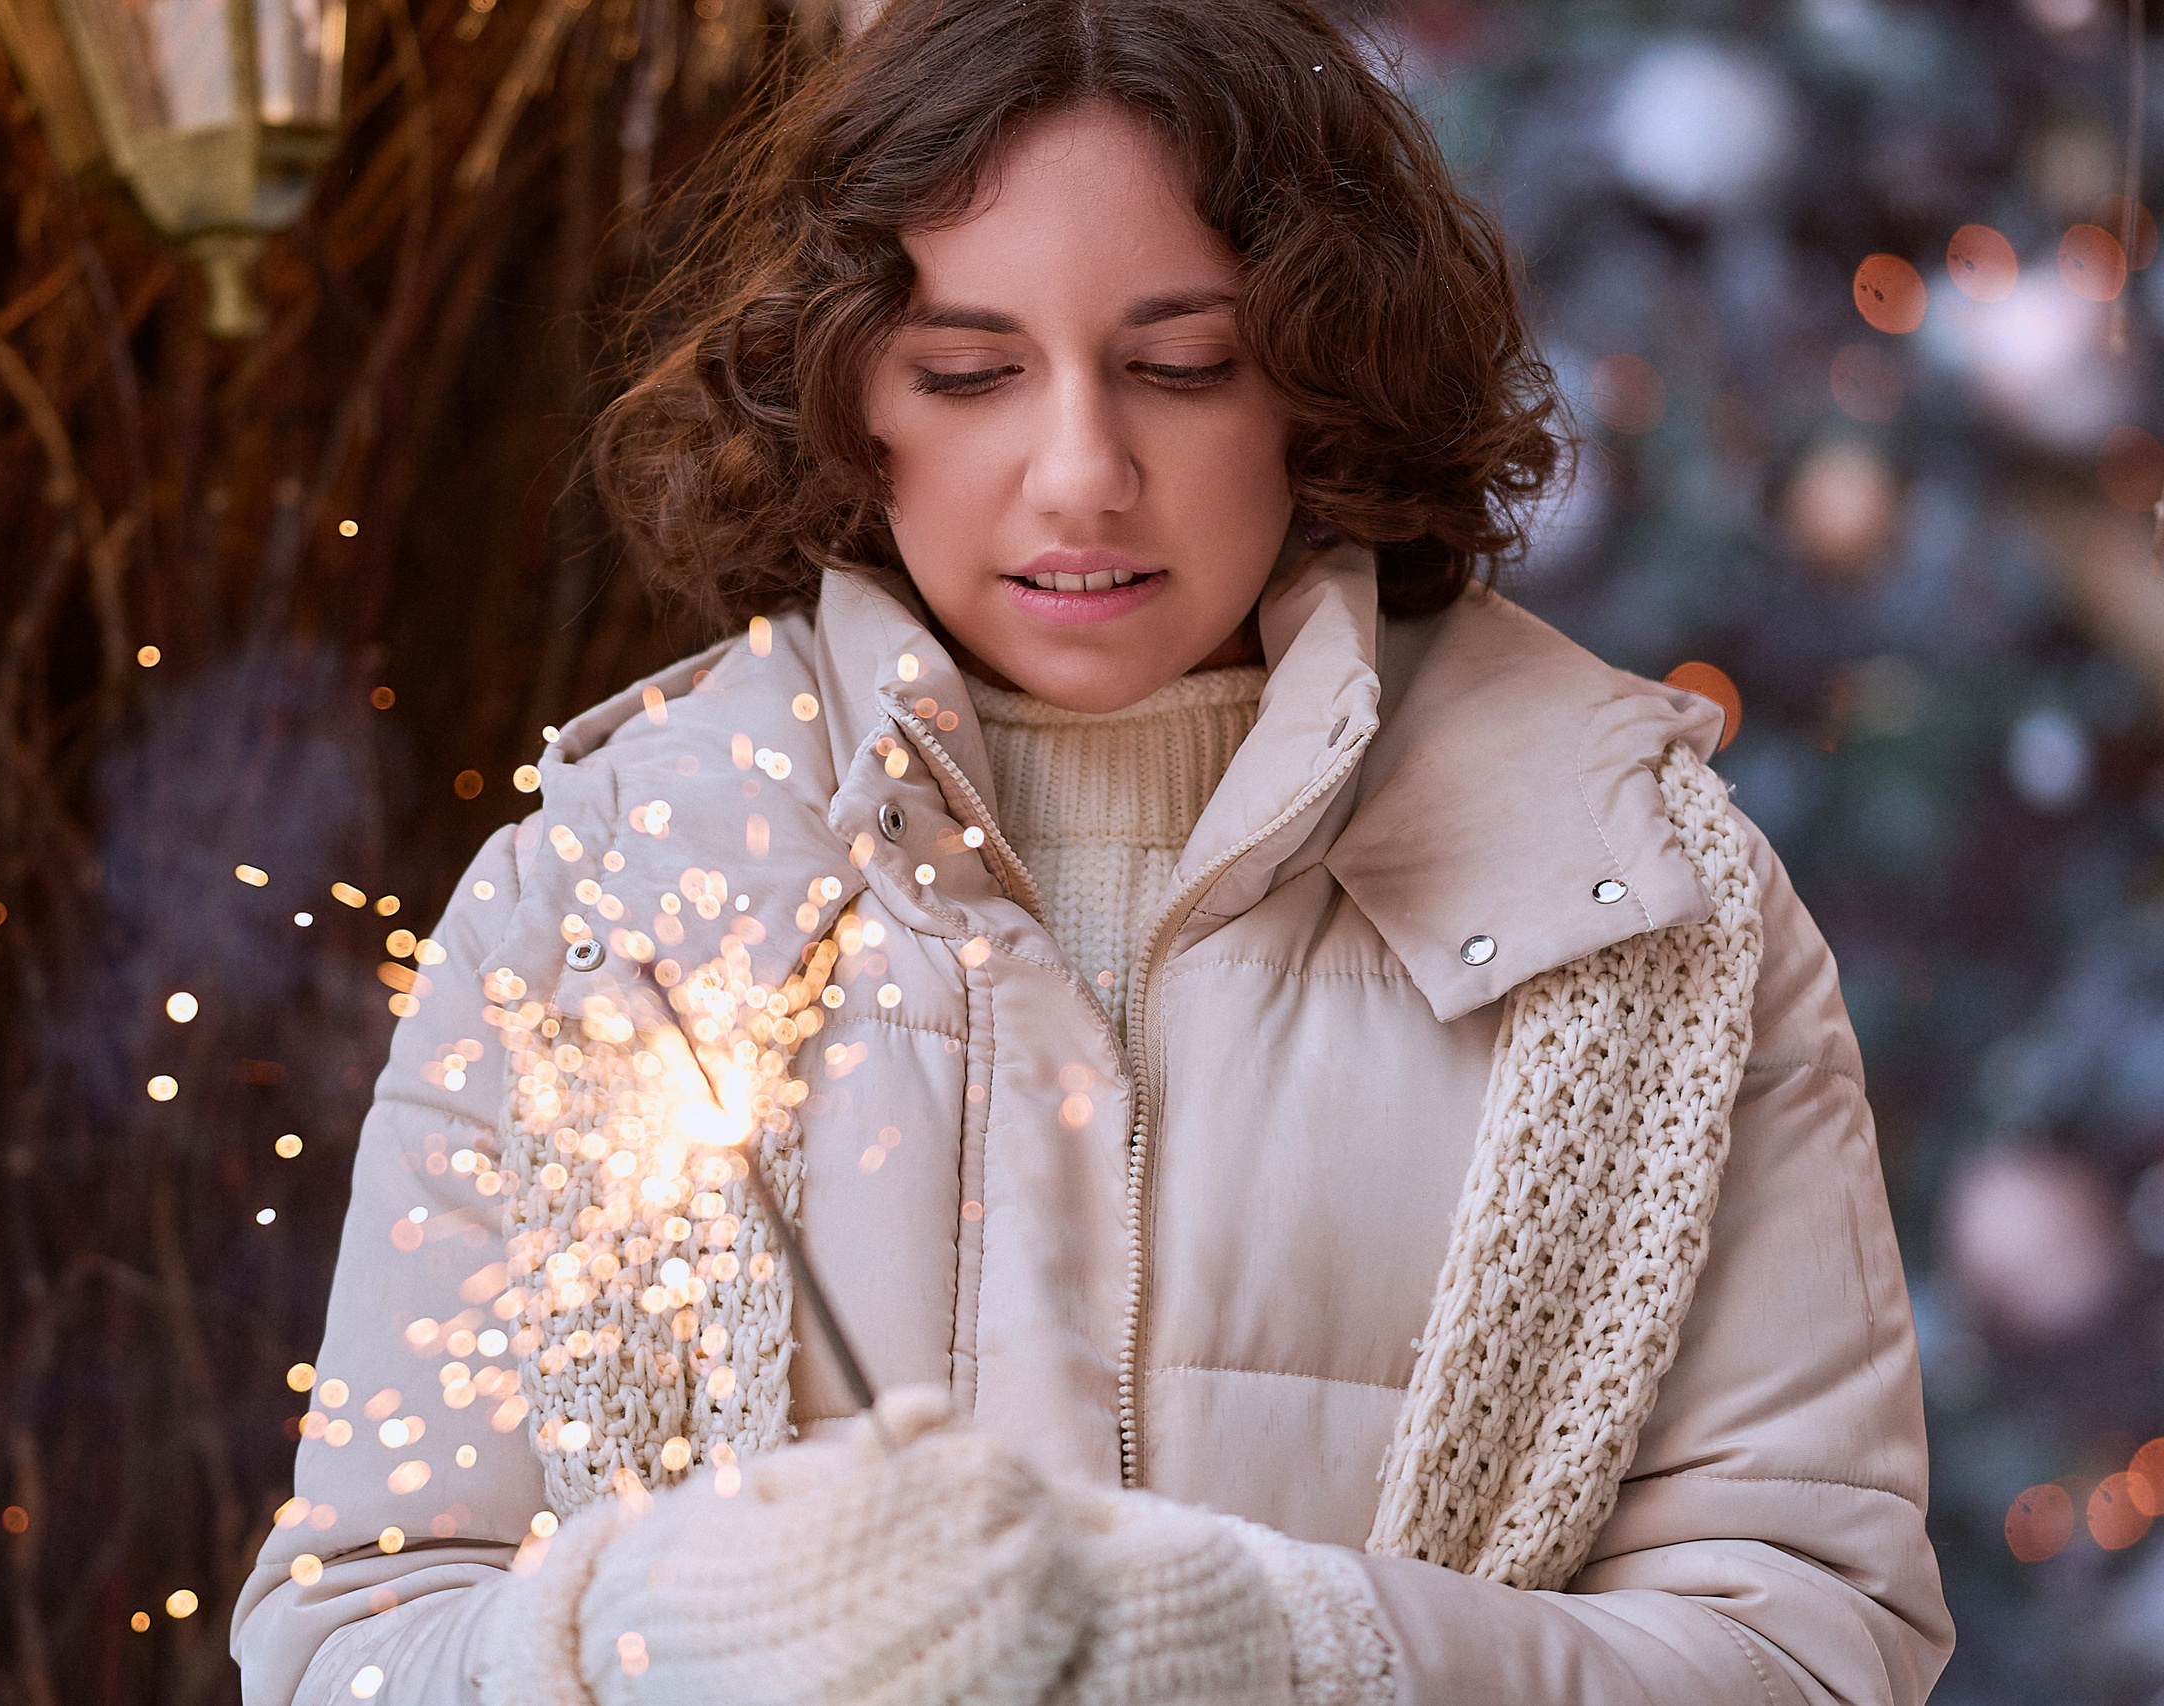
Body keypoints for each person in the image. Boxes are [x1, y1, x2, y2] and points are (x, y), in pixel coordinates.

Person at [232, 1, 1954, 1701]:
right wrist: (636, 1635)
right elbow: (352, 1644)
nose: (1081, 472)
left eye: (1181, 366)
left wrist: (1298, 1652)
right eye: (970, 372)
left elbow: (1804, 1645)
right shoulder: (606, 908)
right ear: (846, 389)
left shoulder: (1640, 910)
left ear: (1319, 375)